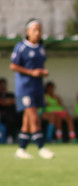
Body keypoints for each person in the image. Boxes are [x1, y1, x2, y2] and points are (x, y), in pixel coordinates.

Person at [9, 19, 54, 159]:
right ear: (28, 32)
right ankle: (41, 147)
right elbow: (13, 66)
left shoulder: (41, 47)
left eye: (39, 30)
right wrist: (31, 72)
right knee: (33, 114)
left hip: (37, 87)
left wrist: (43, 72)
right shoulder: (21, 47)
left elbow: (39, 66)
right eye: (34, 30)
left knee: (27, 119)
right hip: (24, 87)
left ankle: (21, 149)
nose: (37, 33)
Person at [0, 77, 22, 144]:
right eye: (1, 84)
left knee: (20, 114)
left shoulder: (10, 94)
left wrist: (6, 101)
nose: (3, 86)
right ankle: (10, 136)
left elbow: (16, 101)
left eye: (4, 84)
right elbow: (2, 102)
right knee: (9, 117)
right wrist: (8, 101)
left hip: (13, 114)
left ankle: (17, 136)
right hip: (3, 116)